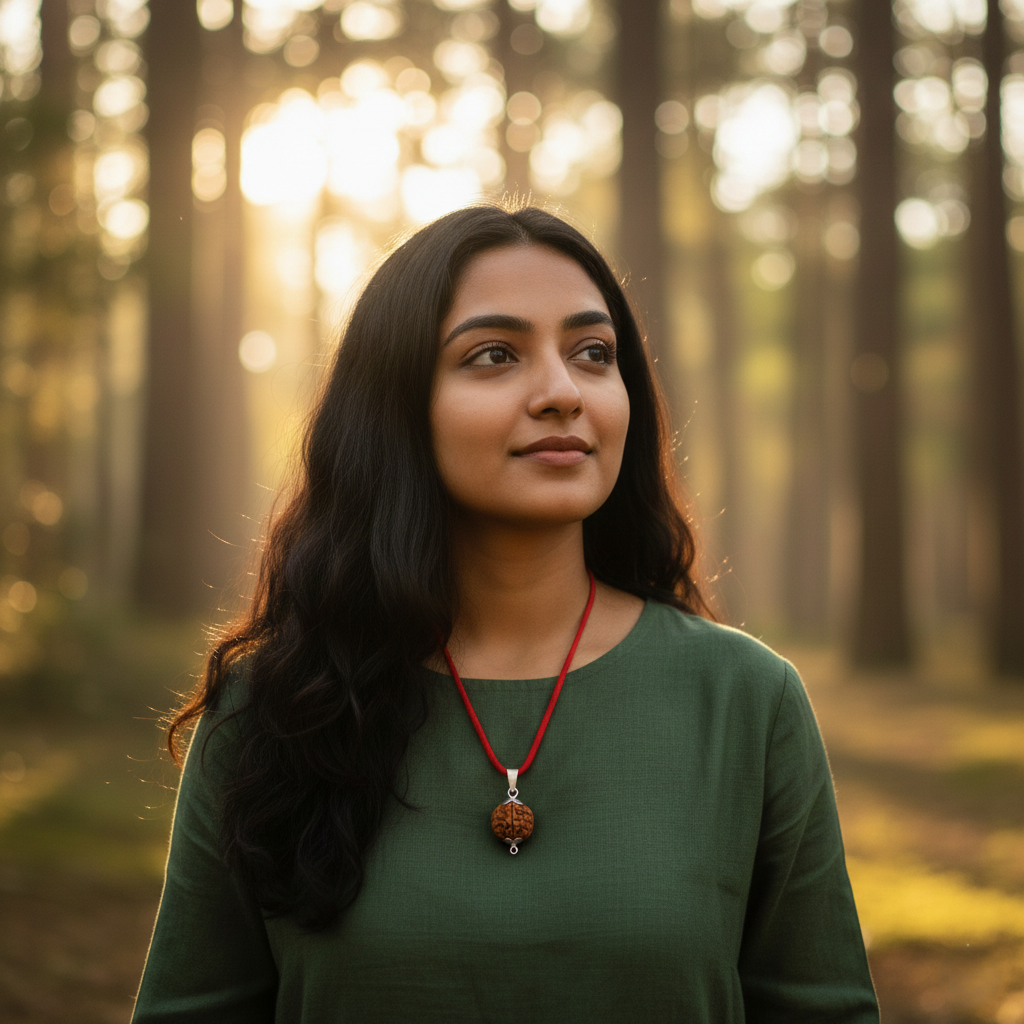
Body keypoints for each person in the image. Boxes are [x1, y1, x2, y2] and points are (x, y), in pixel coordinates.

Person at [132, 204, 878, 1023]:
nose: (562, 392)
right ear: (396, 404)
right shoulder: (271, 708)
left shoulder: (746, 699)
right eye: (494, 355)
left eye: (593, 354)